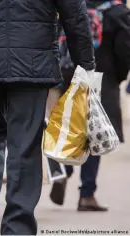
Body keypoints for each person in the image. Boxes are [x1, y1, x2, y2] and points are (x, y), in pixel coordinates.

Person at [0, 0, 95, 234]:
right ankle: (18, 225)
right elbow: (74, 12)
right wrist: (85, 62)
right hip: (33, 59)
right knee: (26, 141)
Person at [50, 0, 130, 211]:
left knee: (73, 129)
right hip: (101, 76)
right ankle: (87, 194)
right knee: (95, 133)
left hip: (70, 73)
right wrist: (117, 77)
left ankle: (64, 172)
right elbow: (125, 50)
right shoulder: (117, 11)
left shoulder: (72, 4)